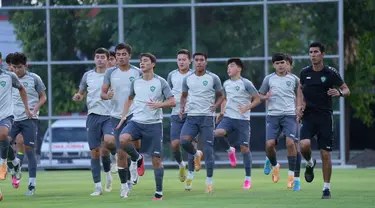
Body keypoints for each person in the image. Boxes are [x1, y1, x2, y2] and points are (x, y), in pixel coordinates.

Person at [117, 53, 175, 200]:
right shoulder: (135, 82)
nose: (142, 64)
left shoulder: (161, 82)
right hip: (136, 122)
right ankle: (137, 158)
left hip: (154, 125)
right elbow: (129, 99)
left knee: (156, 160)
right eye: (141, 61)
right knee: (123, 139)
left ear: (153, 64)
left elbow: (173, 102)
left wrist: (159, 105)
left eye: (145, 61)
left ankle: (159, 193)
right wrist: (124, 116)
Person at [297, 42, 350, 199]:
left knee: (325, 154)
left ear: (322, 54)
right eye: (310, 52)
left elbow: (347, 90)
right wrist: (299, 106)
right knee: (304, 145)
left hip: (325, 117)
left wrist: (339, 92)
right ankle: (309, 163)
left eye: (316, 52)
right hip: (308, 116)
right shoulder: (304, 72)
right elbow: (300, 88)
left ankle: (326, 188)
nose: (313, 55)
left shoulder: (331, 72)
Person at [101, 43, 142, 198]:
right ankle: (125, 186)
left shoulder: (137, 72)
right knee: (120, 152)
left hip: (134, 115)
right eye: (118, 55)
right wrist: (107, 96)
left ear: (129, 56)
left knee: (134, 145)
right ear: (115, 56)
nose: (121, 57)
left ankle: (135, 162)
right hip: (116, 116)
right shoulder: (110, 73)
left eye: (124, 54)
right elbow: (102, 94)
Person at [179, 52, 225, 193]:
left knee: (209, 150)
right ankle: (196, 154)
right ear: (193, 62)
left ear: (206, 62)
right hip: (192, 117)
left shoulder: (213, 78)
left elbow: (222, 95)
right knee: (184, 142)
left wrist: (216, 106)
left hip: (206, 118)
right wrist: (182, 108)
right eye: (197, 60)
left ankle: (209, 183)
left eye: (201, 60)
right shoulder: (188, 78)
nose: (199, 62)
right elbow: (184, 95)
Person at [73, 48, 115, 196]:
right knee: (95, 151)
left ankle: (114, 157)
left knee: (109, 141)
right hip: (93, 116)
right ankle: (98, 186)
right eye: (97, 57)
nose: (100, 59)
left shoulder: (113, 74)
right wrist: (78, 96)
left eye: (102, 57)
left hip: (109, 115)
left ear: (107, 58)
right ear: (94, 59)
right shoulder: (88, 75)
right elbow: (82, 92)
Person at [215, 58, 261, 189]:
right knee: (217, 133)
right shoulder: (226, 83)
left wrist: (247, 107)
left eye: (232, 66)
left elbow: (257, 99)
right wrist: (222, 112)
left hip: (243, 120)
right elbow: (224, 99)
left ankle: (247, 179)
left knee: (245, 148)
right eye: (228, 66)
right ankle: (230, 150)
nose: (229, 68)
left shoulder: (246, 83)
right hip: (229, 118)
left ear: (239, 69)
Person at [259, 53, 300, 191]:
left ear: (286, 63)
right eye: (277, 63)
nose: (280, 65)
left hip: (290, 115)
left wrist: (300, 108)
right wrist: (266, 97)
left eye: (282, 62)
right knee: (269, 145)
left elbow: (301, 94)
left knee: (290, 143)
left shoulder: (294, 79)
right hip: (273, 116)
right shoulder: (269, 79)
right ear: (273, 65)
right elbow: (260, 96)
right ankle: (275, 165)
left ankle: (291, 177)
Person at [8, 52, 47, 196]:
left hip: (29, 118)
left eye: (19, 67)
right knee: (4, 143)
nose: (17, 70)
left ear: (26, 66)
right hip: (12, 118)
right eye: (14, 67)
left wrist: (36, 108)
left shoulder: (34, 78)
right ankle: (15, 164)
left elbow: (43, 97)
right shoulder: (8, 78)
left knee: (29, 148)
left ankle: (31, 184)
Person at [0, 53, 32, 200]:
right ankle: (15, 163)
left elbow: (22, 90)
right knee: (3, 139)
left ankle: (3, 164)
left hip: (6, 115)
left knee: (2, 134)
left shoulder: (9, 76)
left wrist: (27, 109)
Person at [167, 49, 193, 183]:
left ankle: (190, 176)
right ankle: (181, 165)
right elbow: (167, 92)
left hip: (192, 113)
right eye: (179, 60)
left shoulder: (194, 75)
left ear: (190, 61)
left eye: (184, 59)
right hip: (176, 113)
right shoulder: (172, 75)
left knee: (189, 143)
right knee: (175, 144)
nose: (181, 62)